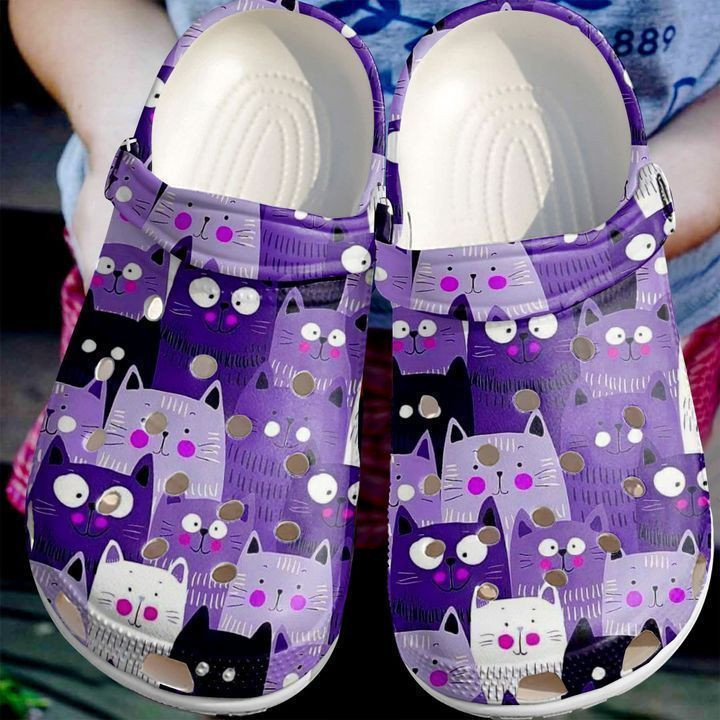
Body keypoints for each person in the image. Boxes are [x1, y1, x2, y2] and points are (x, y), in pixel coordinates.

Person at [8, 0, 720, 534]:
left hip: (604, 308)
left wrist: (640, 225)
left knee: (486, 566)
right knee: (244, 568)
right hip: (203, 276)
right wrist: (129, 129)